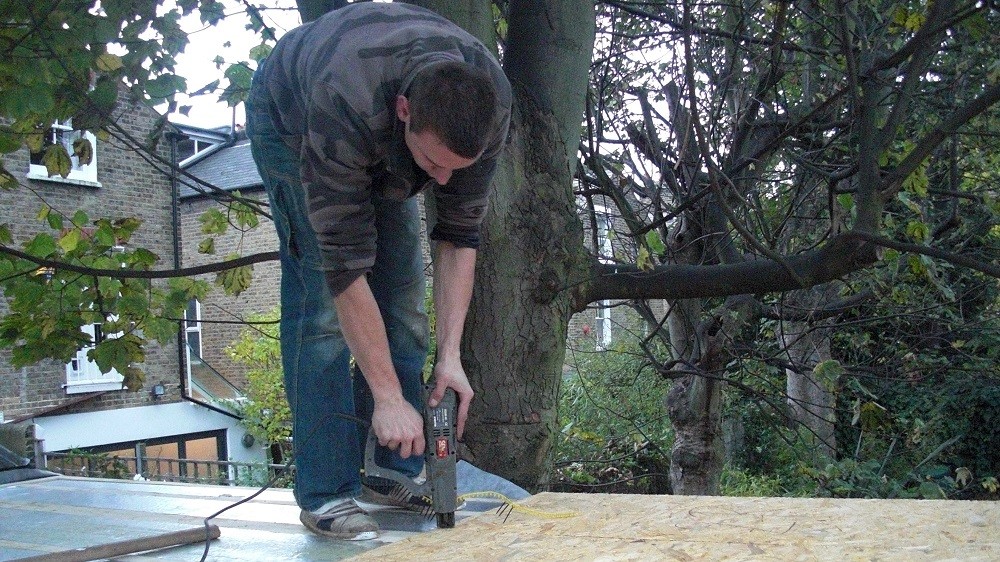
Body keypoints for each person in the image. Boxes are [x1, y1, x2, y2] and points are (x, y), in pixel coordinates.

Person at [245, 2, 512, 541]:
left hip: (377, 129)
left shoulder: (490, 105)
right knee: (320, 312)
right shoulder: (342, 103)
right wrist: (389, 397)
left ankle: (390, 469)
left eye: (454, 169)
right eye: (433, 163)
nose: (439, 181)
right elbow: (343, 271)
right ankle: (327, 491)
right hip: (293, 120)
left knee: (405, 297)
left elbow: (459, 238)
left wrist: (451, 358)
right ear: (405, 110)